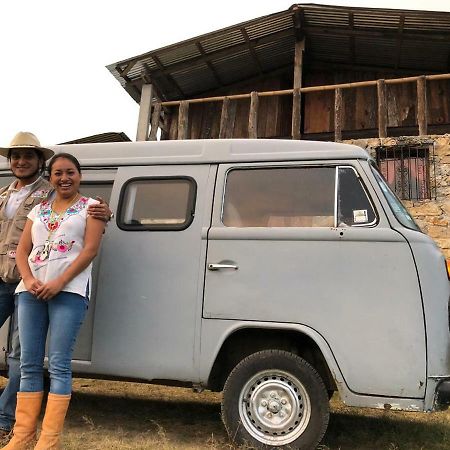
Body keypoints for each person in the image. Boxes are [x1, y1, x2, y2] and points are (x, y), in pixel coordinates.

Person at [0, 132, 110, 442]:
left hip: (66, 290)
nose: (64, 178)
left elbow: (90, 249)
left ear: (79, 176)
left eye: (70, 173)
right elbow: (23, 250)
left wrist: (58, 282)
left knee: (55, 363)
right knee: (30, 363)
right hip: (24, 287)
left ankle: (45, 440)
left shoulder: (88, 206)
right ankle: (22, 436)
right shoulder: (24, 202)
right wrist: (31, 280)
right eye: (58, 173)